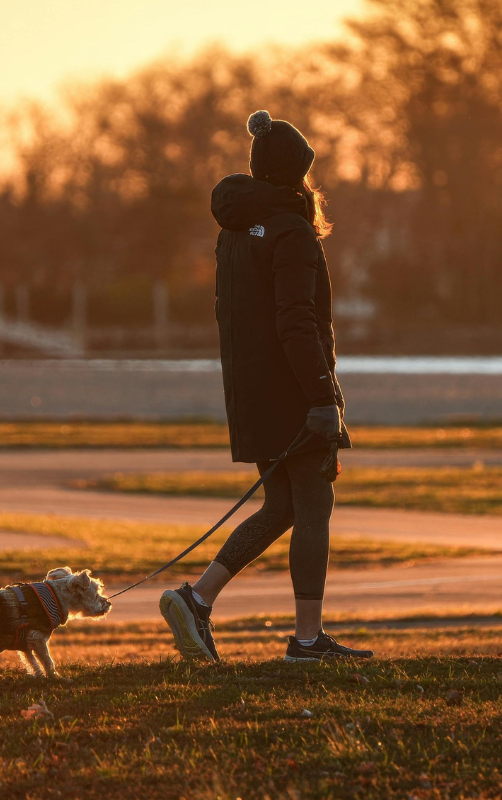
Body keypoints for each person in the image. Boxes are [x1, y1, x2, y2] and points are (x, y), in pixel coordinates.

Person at [160, 110, 373, 664]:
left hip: (251, 395)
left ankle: (197, 599)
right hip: (294, 395)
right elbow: (297, 323)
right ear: (294, 175)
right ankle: (306, 641)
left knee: (280, 506)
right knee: (313, 506)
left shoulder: (234, 231)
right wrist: (325, 399)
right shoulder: (291, 231)